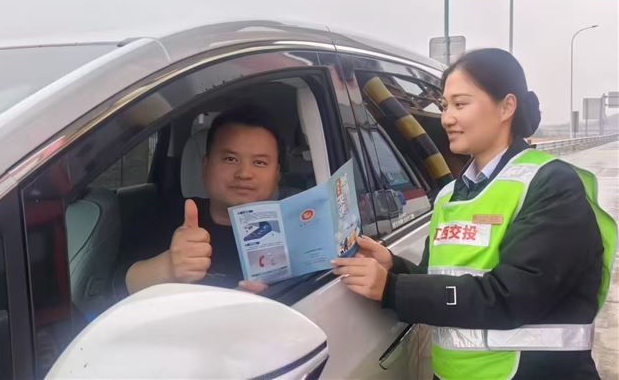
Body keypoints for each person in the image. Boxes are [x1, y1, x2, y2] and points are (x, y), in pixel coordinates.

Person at [331, 48, 616, 380]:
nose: (446, 118)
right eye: (444, 106)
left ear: (506, 107)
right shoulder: (451, 195)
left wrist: (392, 289)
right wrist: (393, 266)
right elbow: (444, 279)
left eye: (460, 104)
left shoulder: (550, 184)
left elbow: (512, 296)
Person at [121, 105, 281, 295]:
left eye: (260, 162)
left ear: (277, 174)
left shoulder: (296, 230)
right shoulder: (164, 214)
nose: (244, 173)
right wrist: (167, 267)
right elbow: (117, 288)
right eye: (230, 159)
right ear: (205, 167)